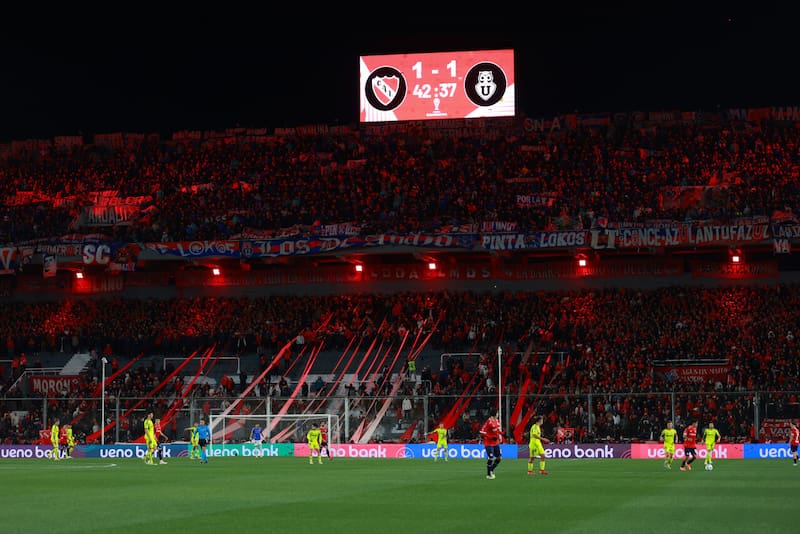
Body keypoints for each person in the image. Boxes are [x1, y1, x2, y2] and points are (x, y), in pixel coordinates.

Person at [479, 412, 503, 479]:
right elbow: (482, 432)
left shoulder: (497, 421)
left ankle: (491, 469)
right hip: (489, 443)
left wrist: (501, 434)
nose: (498, 414)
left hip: (496, 442)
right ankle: (488, 474)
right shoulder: (488, 422)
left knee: (499, 458)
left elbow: (497, 430)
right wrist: (490, 437)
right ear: (494, 414)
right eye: (497, 413)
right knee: (491, 458)